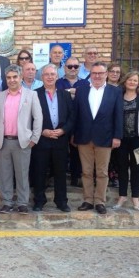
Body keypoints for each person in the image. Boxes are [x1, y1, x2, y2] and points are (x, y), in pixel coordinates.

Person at [0, 65, 43, 214]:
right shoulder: (0, 96)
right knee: (5, 174)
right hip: (3, 141)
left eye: (15, 77)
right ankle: (7, 202)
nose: (12, 80)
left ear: (21, 78)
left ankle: (22, 203)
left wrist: (34, 138)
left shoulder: (31, 95)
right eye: (9, 77)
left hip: (23, 142)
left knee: (22, 174)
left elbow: (38, 118)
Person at [73, 62, 123, 215]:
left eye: (100, 73)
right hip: (84, 137)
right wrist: (74, 135)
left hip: (105, 137)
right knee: (86, 171)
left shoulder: (114, 92)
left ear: (106, 74)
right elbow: (76, 115)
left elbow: (118, 115)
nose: (97, 76)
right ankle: (88, 200)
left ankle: (100, 201)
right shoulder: (81, 91)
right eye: (94, 73)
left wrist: (117, 136)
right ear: (90, 75)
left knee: (102, 172)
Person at [32, 64, 75, 212]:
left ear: (57, 76)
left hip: (60, 140)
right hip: (42, 139)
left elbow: (72, 117)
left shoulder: (65, 94)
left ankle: (61, 201)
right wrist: (41, 131)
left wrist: (64, 130)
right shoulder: (34, 94)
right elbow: (29, 117)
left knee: (60, 172)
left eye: (52, 74)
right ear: (42, 77)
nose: (50, 77)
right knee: (39, 171)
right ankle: (39, 200)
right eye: (46, 74)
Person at [114, 71, 139, 211]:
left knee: (137, 169)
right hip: (121, 139)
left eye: (135, 80)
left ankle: (135, 198)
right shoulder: (117, 96)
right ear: (125, 81)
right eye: (129, 80)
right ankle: (122, 196)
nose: (132, 82)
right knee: (122, 168)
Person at [56, 56, 89, 187]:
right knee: (61, 150)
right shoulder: (58, 82)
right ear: (64, 68)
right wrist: (71, 92)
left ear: (79, 68)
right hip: (61, 121)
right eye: (70, 66)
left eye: (75, 66)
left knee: (77, 149)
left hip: (79, 121)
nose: (73, 69)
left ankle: (76, 176)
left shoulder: (85, 84)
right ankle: (59, 176)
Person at [106, 62, 124, 187]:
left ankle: (116, 178)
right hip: (106, 126)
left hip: (120, 125)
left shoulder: (123, 89)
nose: (114, 74)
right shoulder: (101, 87)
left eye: (117, 72)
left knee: (118, 154)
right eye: (112, 71)